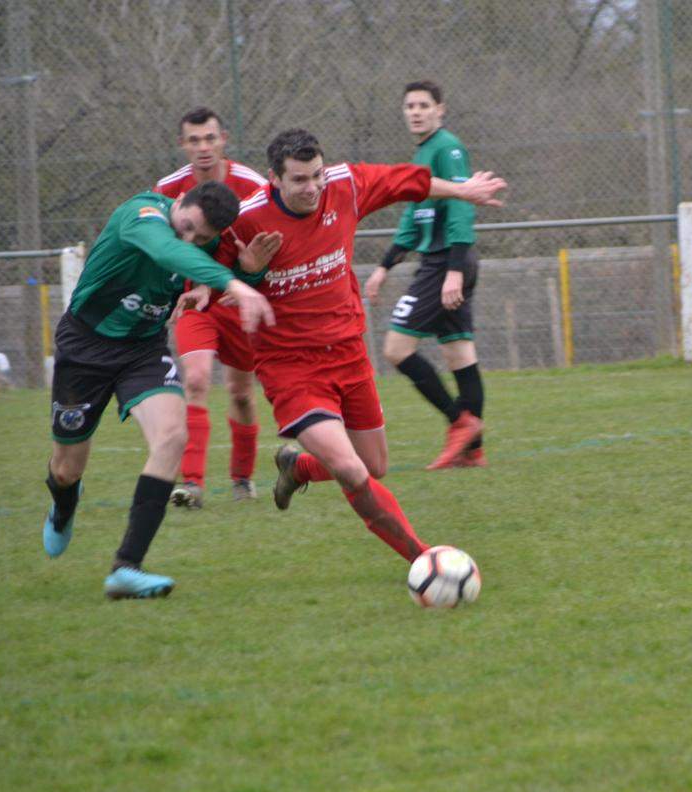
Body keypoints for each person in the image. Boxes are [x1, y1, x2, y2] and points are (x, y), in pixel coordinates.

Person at [204, 128, 505, 564]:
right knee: (350, 470)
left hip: (348, 354)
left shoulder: (343, 185)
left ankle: (297, 467)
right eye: (299, 180)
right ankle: (424, 560)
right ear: (274, 178)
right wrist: (248, 272)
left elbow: (409, 181)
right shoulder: (246, 220)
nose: (312, 188)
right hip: (291, 367)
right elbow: (208, 282)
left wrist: (463, 190)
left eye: (316, 176)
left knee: (373, 465)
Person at [42, 182, 277, 600]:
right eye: (186, 226)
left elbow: (208, 269)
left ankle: (126, 568)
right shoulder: (142, 215)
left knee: (172, 436)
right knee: (65, 469)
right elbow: (170, 251)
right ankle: (64, 503)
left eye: (201, 237)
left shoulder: (206, 240)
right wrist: (238, 286)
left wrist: (236, 278)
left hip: (142, 351)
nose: (189, 238)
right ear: (179, 202)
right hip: (84, 349)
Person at [363, 80, 487, 470]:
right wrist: (385, 265)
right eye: (409, 106)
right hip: (441, 262)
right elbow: (413, 218)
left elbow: (463, 208)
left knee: (396, 349)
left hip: (446, 263)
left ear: (440, 110)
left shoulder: (448, 148)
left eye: (423, 105)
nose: (415, 112)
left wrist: (453, 271)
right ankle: (473, 451)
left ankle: (459, 423)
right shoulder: (421, 155)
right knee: (459, 352)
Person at [155, 107, 269, 508]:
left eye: (210, 138)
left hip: (238, 300)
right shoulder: (168, 189)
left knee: (240, 392)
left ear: (224, 139)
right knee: (197, 380)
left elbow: (262, 249)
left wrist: (242, 277)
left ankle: (242, 478)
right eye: (194, 140)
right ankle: (192, 483)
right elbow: (161, 248)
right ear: (182, 144)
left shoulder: (253, 185)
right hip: (193, 301)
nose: (203, 147)